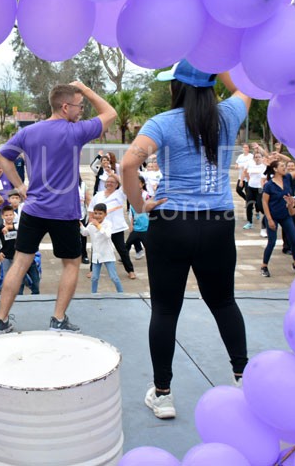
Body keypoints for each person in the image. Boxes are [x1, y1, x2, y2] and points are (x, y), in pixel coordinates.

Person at [120, 60, 251, 420]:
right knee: (224, 302)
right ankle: (244, 378)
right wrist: (218, 61)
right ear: (210, 87)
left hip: (172, 223)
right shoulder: (227, 115)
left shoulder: (162, 122)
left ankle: (163, 395)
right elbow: (246, 86)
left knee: (165, 309)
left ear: (176, 87)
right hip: (217, 223)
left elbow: (128, 165)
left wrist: (139, 206)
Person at [0, 81, 117, 335]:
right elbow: (111, 113)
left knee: (19, 264)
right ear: (65, 106)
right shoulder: (75, 132)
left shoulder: (29, 132)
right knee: (71, 265)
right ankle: (58, 319)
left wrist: (19, 186)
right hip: (64, 212)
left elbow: (3, 157)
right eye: (79, 106)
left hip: (33, 210)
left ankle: (0, 322)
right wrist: (87, 89)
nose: (82, 111)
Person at [89, 172, 136, 280]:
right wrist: (92, 222)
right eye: (108, 182)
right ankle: (92, 270)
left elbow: (125, 184)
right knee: (95, 248)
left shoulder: (120, 194)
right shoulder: (98, 195)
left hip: (116, 228)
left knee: (122, 249)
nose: (109, 183)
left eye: (112, 182)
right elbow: (91, 210)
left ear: (116, 184)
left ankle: (130, 270)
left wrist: (112, 174)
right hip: (100, 227)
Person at [260, 160, 295, 278]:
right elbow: (265, 202)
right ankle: (264, 265)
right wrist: (269, 219)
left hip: (285, 215)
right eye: (282, 166)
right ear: (275, 169)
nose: (285, 167)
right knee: (272, 242)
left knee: (294, 239)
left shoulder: (287, 178)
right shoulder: (269, 185)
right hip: (273, 216)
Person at [81, 203, 123, 293]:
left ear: (105, 214)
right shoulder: (91, 224)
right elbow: (85, 233)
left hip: (107, 254)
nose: (97, 216)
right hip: (96, 255)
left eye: (100, 213)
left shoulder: (108, 224)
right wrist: (79, 224)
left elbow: (107, 235)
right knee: (94, 278)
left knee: (114, 277)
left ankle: (121, 293)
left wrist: (98, 226)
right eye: (95, 213)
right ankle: (94, 294)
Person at [126, 175, 149, 260]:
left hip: (145, 226)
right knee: (128, 243)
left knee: (148, 245)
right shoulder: (131, 195)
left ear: (142, 184)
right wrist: (131, 224)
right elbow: (132, 212)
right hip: (136, 226)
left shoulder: (146, 195)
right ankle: (124, 257)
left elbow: (148, 208)